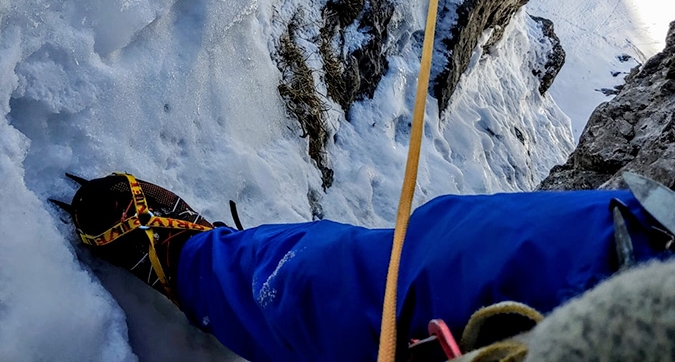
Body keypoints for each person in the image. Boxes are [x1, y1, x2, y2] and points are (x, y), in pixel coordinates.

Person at [56, 171, 674, 362]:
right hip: (635, 266)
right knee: (427, 266)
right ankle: (201, 266)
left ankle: (195, 264)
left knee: (388, 291)